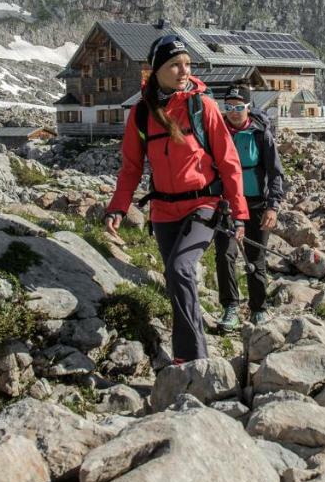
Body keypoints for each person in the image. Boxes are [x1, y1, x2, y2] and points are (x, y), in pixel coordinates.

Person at [102, 34, 248, 364]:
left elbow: (228, 161)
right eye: (175, 65)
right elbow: (130, 167)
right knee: (174, 277)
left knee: (181, 269)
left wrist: (239, 213)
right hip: (164, 211)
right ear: (156, 70)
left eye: (187, 64)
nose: (184, 71)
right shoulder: (141, 114)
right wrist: (118, 208)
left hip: (204, 206)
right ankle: (194, 350)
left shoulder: (203, 106)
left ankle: (192, 359)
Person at [214, 85, 285, 330]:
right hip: (227, 206)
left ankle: (258, 308)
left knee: (257, 257)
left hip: (257, 204)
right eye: (228, 107)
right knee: (225, 254)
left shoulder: (260, 133)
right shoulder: (217, 131)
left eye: (238, 107)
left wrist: (273, 206)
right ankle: (230, 307)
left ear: (248, 107)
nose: (233, 112)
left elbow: (276, 173)